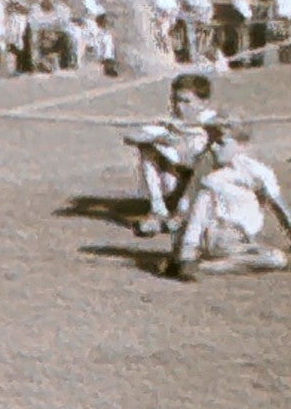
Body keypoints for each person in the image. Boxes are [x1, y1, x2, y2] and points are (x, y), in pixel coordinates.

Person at [166, 117, 291, 280]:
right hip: (204, 235)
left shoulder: (256, 171)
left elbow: (279, 208)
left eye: (221, 142)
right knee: (205, 192)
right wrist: (186, 247)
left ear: (242, 145)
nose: (213, 148)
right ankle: (190, 260)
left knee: (276, 258)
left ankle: (207, 266)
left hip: (236, 239)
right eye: (210, 141)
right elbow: (189, 207)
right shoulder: (205, 168)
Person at [123, 72, 217, 237]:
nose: (179, 106)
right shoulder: (171, 121)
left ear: (203, 103)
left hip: (203, 184)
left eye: (186, 101)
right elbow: (131, 137)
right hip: (177, 179)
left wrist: (193, 141)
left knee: (209, 157)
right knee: (147, 149)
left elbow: (235, 141)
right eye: (176, 100)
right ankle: (158, 211)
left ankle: (184, 214)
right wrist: (163, 138)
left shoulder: (213, 121)